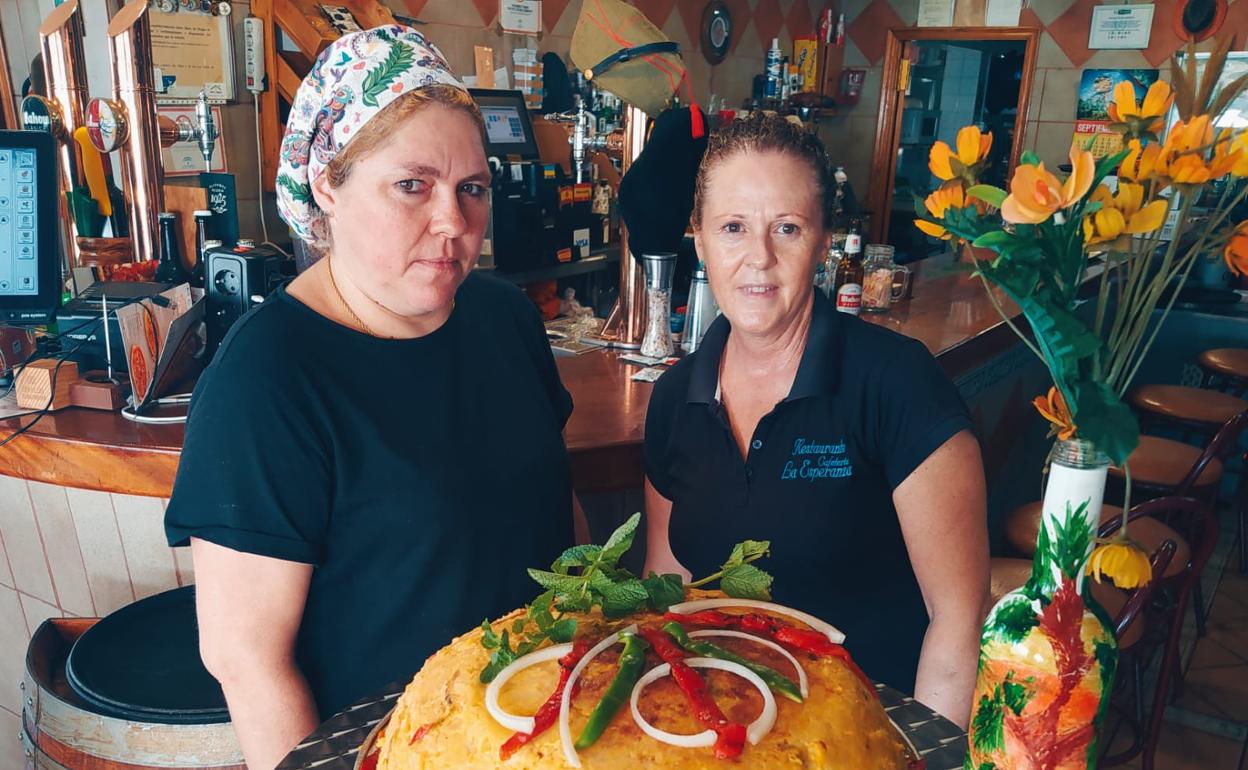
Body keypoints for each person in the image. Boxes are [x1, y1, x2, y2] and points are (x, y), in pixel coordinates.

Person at [164, 27, 585, 770]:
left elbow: (559, 511)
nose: (454, 223)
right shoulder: (267, 378)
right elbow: (246, 658)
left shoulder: (505, 318)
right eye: (412, 185)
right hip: (391, 750)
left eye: (472, 189)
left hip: (556, 734)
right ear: (328, 181)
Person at [642, 113, 989, 727]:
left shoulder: (897, 384)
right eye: (732, 227)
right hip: (726, 733)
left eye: (787, 228)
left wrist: (930, 755)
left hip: (869, 731)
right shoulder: (674, 397)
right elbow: (667, 580)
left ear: (824, 240)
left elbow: (957, 619)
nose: (760, 258)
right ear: (698, 239)